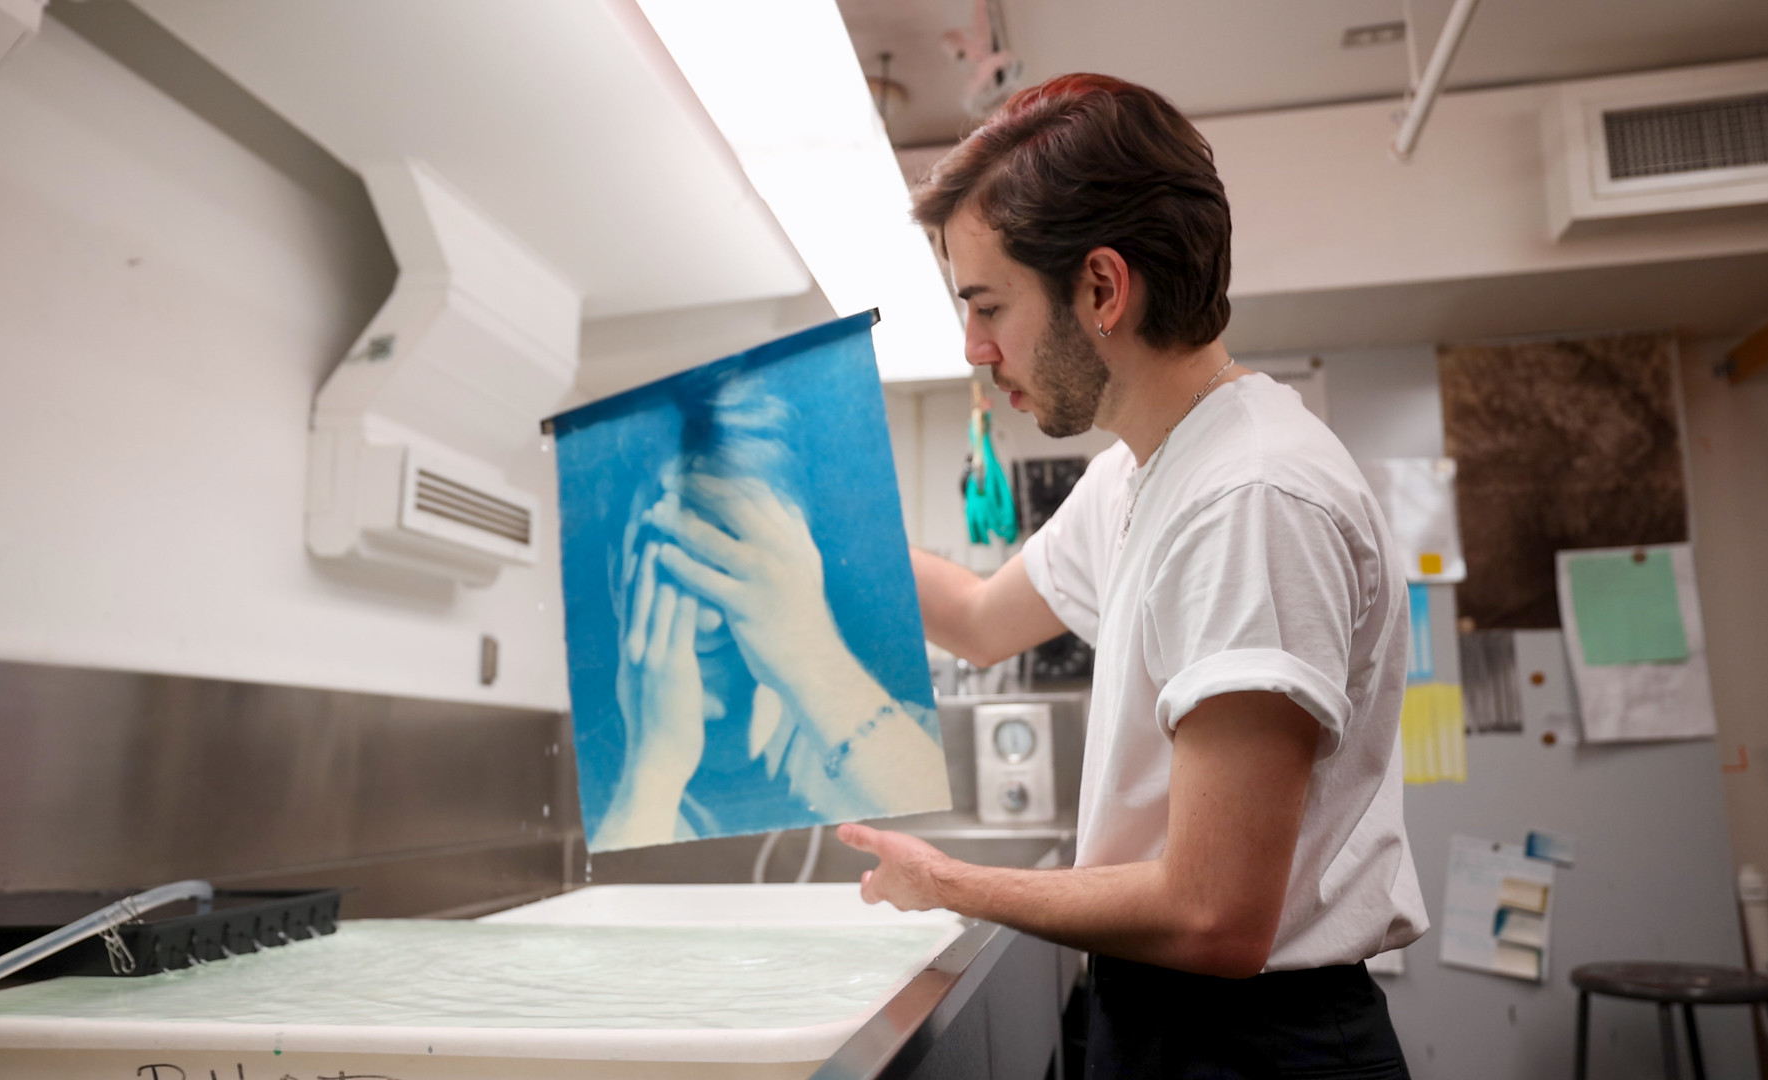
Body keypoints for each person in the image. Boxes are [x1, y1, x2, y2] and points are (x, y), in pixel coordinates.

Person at [837, 74, 1429, 1077]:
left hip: (1249, 1048)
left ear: (1102, 289)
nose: (974, 349)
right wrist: (812, 536)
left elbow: (1213, 916)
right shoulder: (1142, 475)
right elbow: (980, 621)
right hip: (1163, 1021)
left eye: (987, 307)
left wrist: (950, 883)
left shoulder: (1248, 497)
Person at [593, 370, 945, 851]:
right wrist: (651, 773)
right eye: (675, 556)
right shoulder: (587, 788)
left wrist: (813, 659)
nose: (709, 621)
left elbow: (955, 877)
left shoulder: (910, 745)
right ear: (618, 579)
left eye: (736, 554)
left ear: (803, 568)